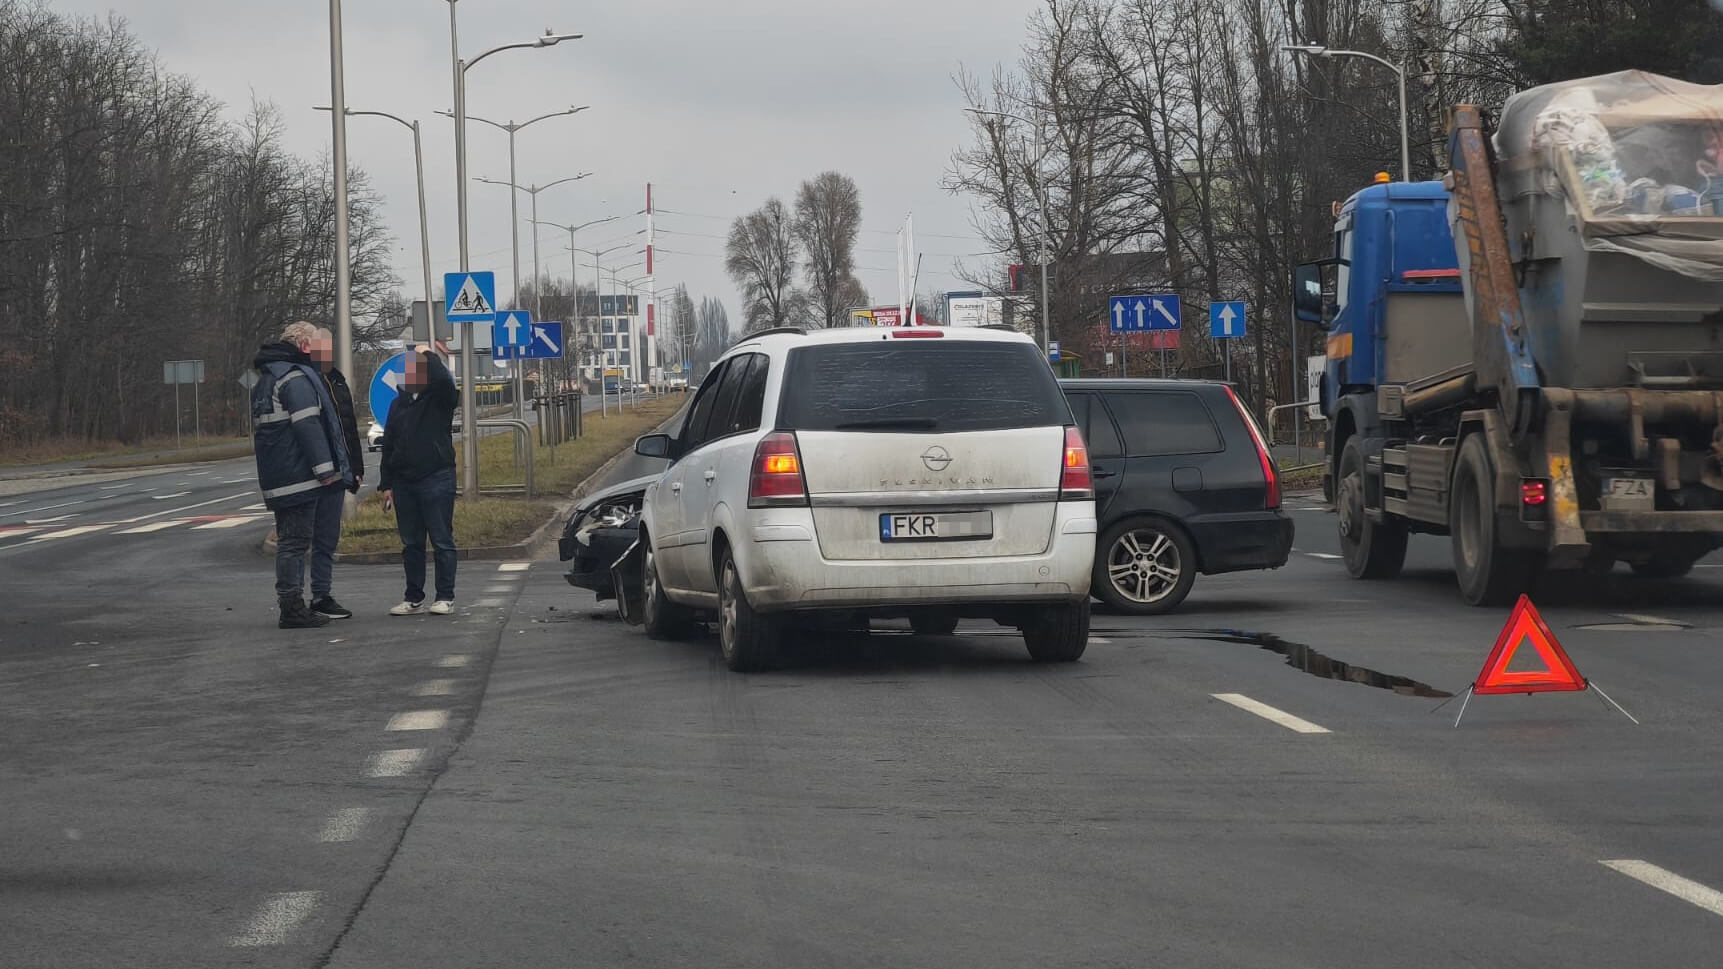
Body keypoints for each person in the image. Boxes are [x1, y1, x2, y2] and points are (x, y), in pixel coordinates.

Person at [251, 321, 355, 629]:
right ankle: (292, 607)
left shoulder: (267, 378)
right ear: (305, 346)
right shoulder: (294, 378)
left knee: (290, 541)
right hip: (298, 477)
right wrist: (326, 471)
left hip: (278, 476)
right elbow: (308, 427)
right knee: (295, 543)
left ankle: (293, 604)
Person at [378, 343, 460, 616]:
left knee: (441, 540)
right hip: (404, 481)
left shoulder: (439, 399)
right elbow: (388, 445)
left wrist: (428, 354)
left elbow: (444, 382)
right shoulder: (397, 405)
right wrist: (386, 484)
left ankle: (445, 596)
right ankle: (413, 597)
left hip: (436, 476)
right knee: (411, 544)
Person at [304, 326, 364, 620]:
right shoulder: (303, 379)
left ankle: (321, 594)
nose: (325, 354)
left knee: (327, 537)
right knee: (301, 537)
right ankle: (293, 598)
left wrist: (356, 467)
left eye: (328, 348)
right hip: (308, 473)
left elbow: (347, 426)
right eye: (320, 348)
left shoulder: (337, 379)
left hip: (337, 471)